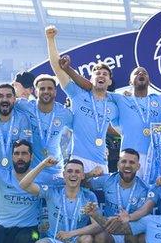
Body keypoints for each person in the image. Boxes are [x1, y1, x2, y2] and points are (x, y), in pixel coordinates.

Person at [46, 25, 120, 173]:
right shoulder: (77, 94)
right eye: (97, 73)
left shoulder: (114, 105)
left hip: (102, 163)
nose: (101, 75)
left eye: (105, 74)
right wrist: (50, 39)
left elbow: (121, 130)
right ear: (90, 78)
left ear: (110, 81)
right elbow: (57, 68)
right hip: (78, 161)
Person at [19, 158, 101, 243]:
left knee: (87, 239)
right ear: (64, 174)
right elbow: (23, 184)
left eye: (77, 172)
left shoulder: (89, 195)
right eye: (69, 171)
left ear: (83, 175)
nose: (73, 174)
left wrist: (71, 234)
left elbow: (98, 225)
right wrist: (43, 164)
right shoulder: (53, 192)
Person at [88, 149, 150, 243]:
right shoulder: (107, 180)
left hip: (131, 233)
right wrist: (90, 174)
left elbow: (144, 213)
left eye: (132, 162)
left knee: (135, 235)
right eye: (124, 161)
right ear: (118, 164)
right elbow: (83, 182)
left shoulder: (145, 188)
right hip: (109, 231)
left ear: (138, 166)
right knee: (99, 239)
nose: (127, 165)